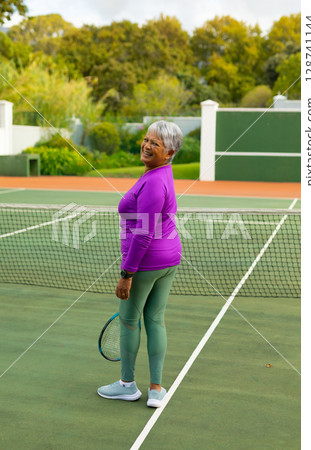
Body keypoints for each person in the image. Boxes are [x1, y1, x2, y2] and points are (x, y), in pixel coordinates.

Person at [97, 120, 183, 407]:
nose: (147, 145)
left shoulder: (154, 182)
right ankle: (156, 389)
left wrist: (127, 274)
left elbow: (144, 233)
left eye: (155, 143)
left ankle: (127, 385)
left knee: (130, 322)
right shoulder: (162, 173)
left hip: (146, 263)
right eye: (146, 139)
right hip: (169, 259)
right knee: (156, 320)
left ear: (169, 152)